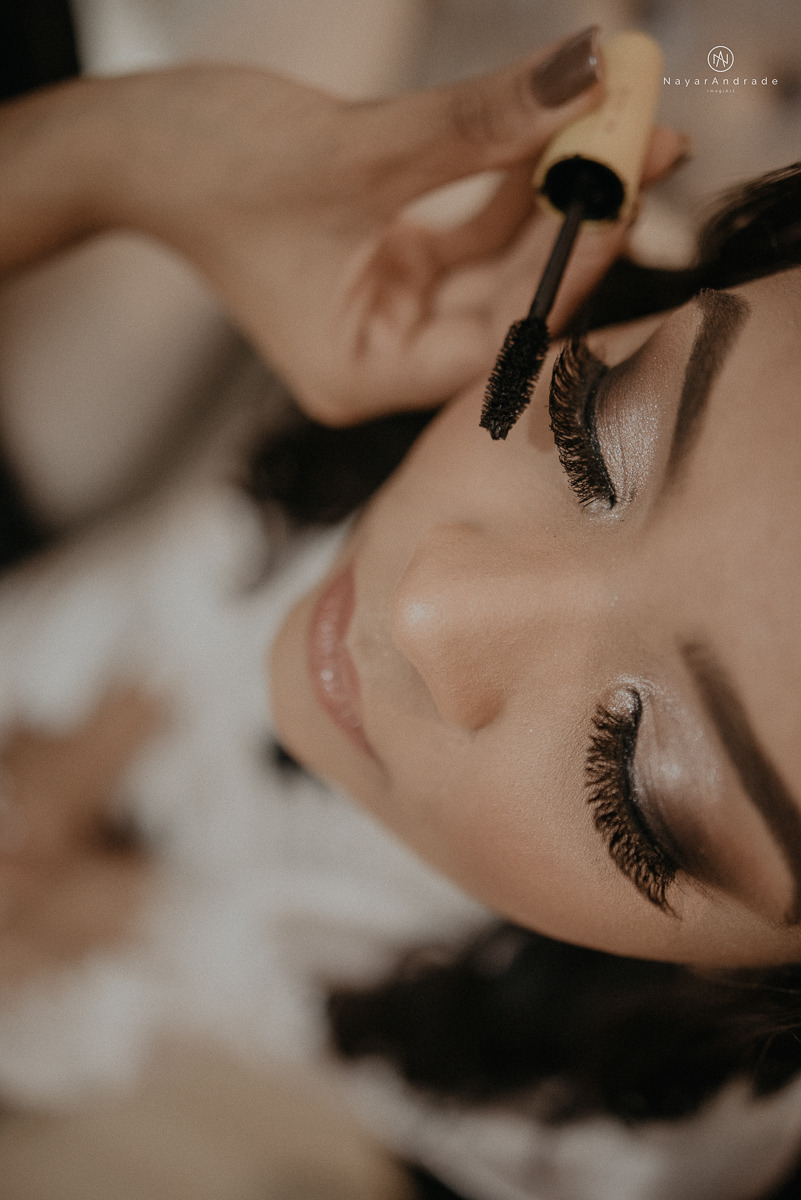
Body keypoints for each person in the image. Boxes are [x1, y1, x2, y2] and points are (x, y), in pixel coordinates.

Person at [1, 26, 801, 1200]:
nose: (430, 602)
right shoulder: (468, 321)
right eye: (596, 431)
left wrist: (99, 906)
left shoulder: (601, 1130)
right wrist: (107, 156)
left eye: (640, 786)